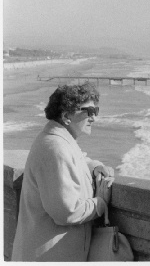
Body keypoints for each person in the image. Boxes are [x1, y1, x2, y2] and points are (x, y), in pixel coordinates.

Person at [12, 82, 115, 261]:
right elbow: (67, 212)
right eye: (89, 111)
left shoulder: (58, 141)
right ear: (67, 115)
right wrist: (100, 203)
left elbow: (78, 160)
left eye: (95, 111)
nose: (94, 118)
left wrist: (96, 166)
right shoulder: (55, 149)